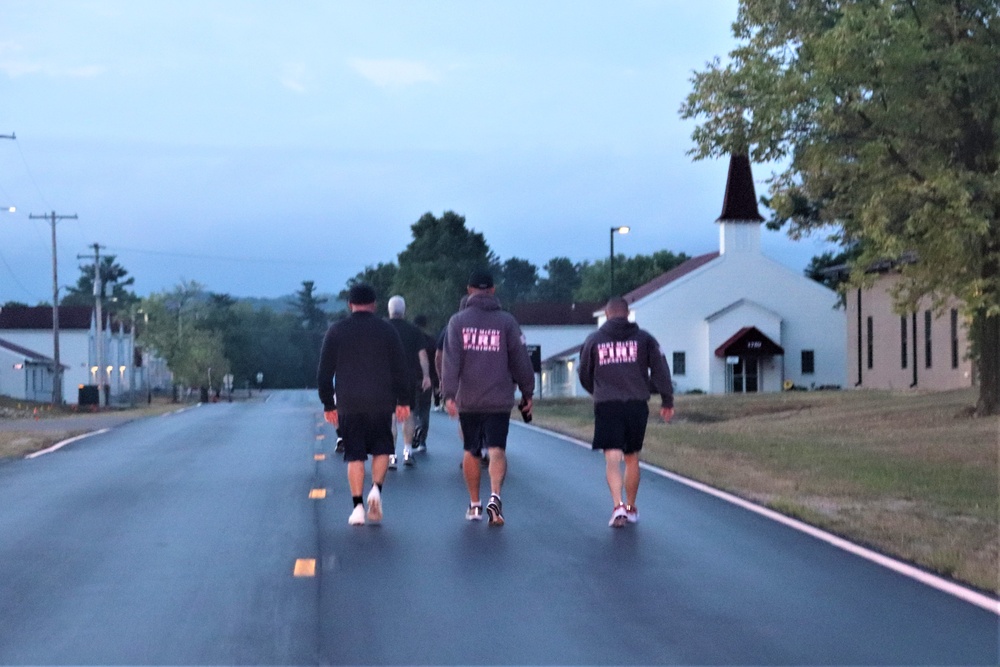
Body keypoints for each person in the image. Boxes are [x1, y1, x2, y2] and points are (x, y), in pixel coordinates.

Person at [442, 269, 535, 525]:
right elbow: (521, 360)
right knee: (496, 448)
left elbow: (451, 362)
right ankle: (495, 496)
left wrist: (449, 394)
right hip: (499, 397)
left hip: (469, 399)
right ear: (493, 290)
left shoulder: (457, 322)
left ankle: (474, 505)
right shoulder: (507, 322)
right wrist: (528, 391)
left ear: (469, 290)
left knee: (471, 450)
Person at [317, 283, 411, 526]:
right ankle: (376, 490)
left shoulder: (336, 332)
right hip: (381, 400)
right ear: (375, 305)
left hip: (349, 402)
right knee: (382, 448)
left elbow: (324, 372)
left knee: (355, 456)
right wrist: (404, 401)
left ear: (350, 305)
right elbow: (401, 368)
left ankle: (358, 506)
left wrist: (328, 404)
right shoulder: (387, 330)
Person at [578, 296, 675, 528]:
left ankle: (617, 505)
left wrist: (597, 391)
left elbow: (584, 373)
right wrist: (667, 399)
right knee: (631, 457)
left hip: (607, 404)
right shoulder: (644, 339)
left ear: (608, 314)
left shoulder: (594, 340)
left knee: (612, 457)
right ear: (628, 313)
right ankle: (631, 508)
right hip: (636, 403)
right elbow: (660, 369)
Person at [386, 296, 432, 468]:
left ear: (389, 310)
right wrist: (426, 376)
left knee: (390, 417)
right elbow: (423, 356)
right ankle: (407, 451)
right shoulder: (414, 331)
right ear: (404, 311)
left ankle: (391, 455)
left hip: (386, 379)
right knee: (409, 414)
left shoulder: (383, 329)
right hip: (407, 378)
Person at [411, 314, 437, 453]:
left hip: (411, 379)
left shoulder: (410, 340)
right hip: (428, 380)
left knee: (413, 410)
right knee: (425, 408)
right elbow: (436, 362)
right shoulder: (431, 341)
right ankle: (422, 441)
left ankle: (416, 428)